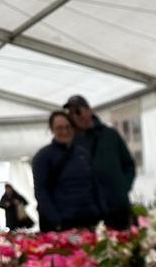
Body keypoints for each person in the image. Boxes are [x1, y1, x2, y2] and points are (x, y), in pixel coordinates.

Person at [65, 94, 137, 230]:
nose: (75, 116)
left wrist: (123, 187)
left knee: (124, 245)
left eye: (78, 111)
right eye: (71, 113)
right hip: (89, 211)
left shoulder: (110, 135)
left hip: (117, 205)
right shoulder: (71, 142)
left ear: (89, 110)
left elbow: (129, 164)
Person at [33, 110, 100, 231]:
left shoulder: (83, 153)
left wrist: (99, 210)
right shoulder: (43, 157)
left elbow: (94, 184)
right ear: (52, 130)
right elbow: (41, 192)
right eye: (59, 128)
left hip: (89, 219)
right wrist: (57, 221)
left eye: (67, 127)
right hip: (63, 223)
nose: (64, 131)